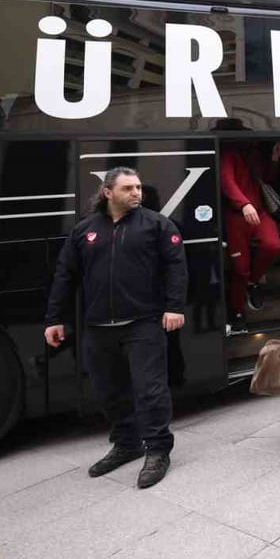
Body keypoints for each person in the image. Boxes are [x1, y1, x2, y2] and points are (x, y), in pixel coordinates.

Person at [44, 167, 187, 489]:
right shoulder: (84, 231)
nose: (137, 193)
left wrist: (174, 307)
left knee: (150, 391)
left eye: (138, 187)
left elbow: (176, 268)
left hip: (144, 323)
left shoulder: (157, 225)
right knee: (109, 391)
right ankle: (126, 444)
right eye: (128, 188)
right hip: (97, 327)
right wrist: (55, 319)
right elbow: (65, 276)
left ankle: (158, 449)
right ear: (108, 192)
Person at [216, 119, 280, 332]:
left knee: (272, 245)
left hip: (259, 212)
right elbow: (226, 181)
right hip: (237, 215)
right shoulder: (227, 155)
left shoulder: (253, 154)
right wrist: (244, 204)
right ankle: (237, 311)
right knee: (239, 269)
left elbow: (266, 179)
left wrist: (274, 158)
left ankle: (253, 282)